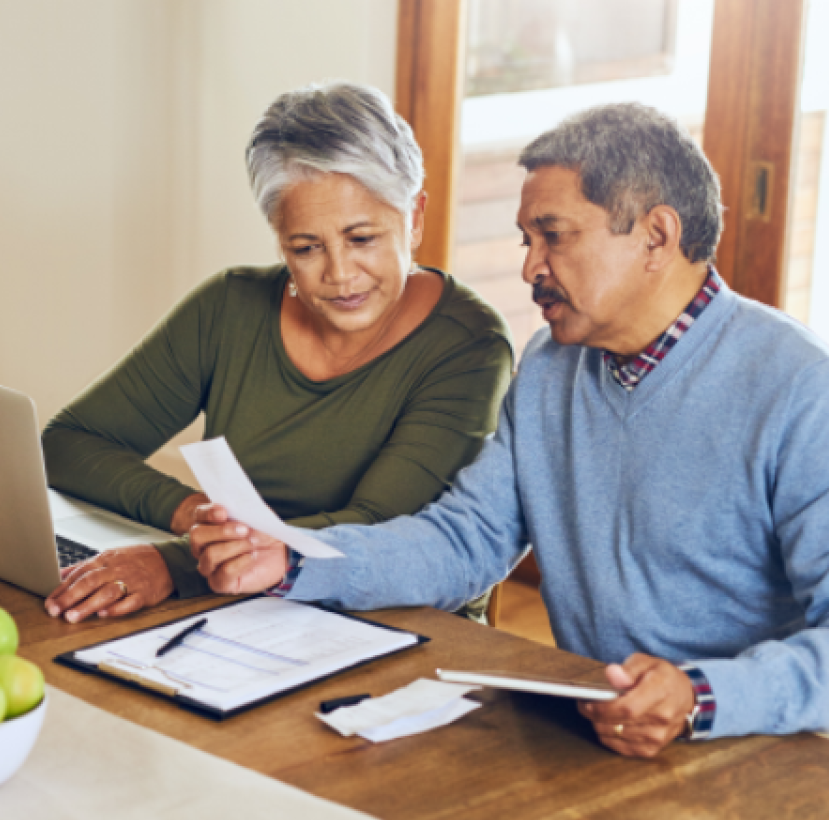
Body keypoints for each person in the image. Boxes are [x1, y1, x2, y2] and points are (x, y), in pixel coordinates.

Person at [189, 103, 829, 761]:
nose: (529, 267)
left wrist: (701, 696)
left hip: (800, 754)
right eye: (525, 240)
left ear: (656, 235)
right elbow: (465, 540)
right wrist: (292, 561)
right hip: (619, 740)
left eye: (553, 236)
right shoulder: (551, 367)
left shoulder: (799, 388)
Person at [40, 82, 513, 624]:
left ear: (415, 217)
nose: (339, 274)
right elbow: (69, 444)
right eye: (306, 248)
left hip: (393, 626)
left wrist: (176, 565)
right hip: (241, 611)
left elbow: (380, 529)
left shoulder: (468, 345)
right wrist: (197, 517)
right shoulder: (230, 306)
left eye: (363, 239)